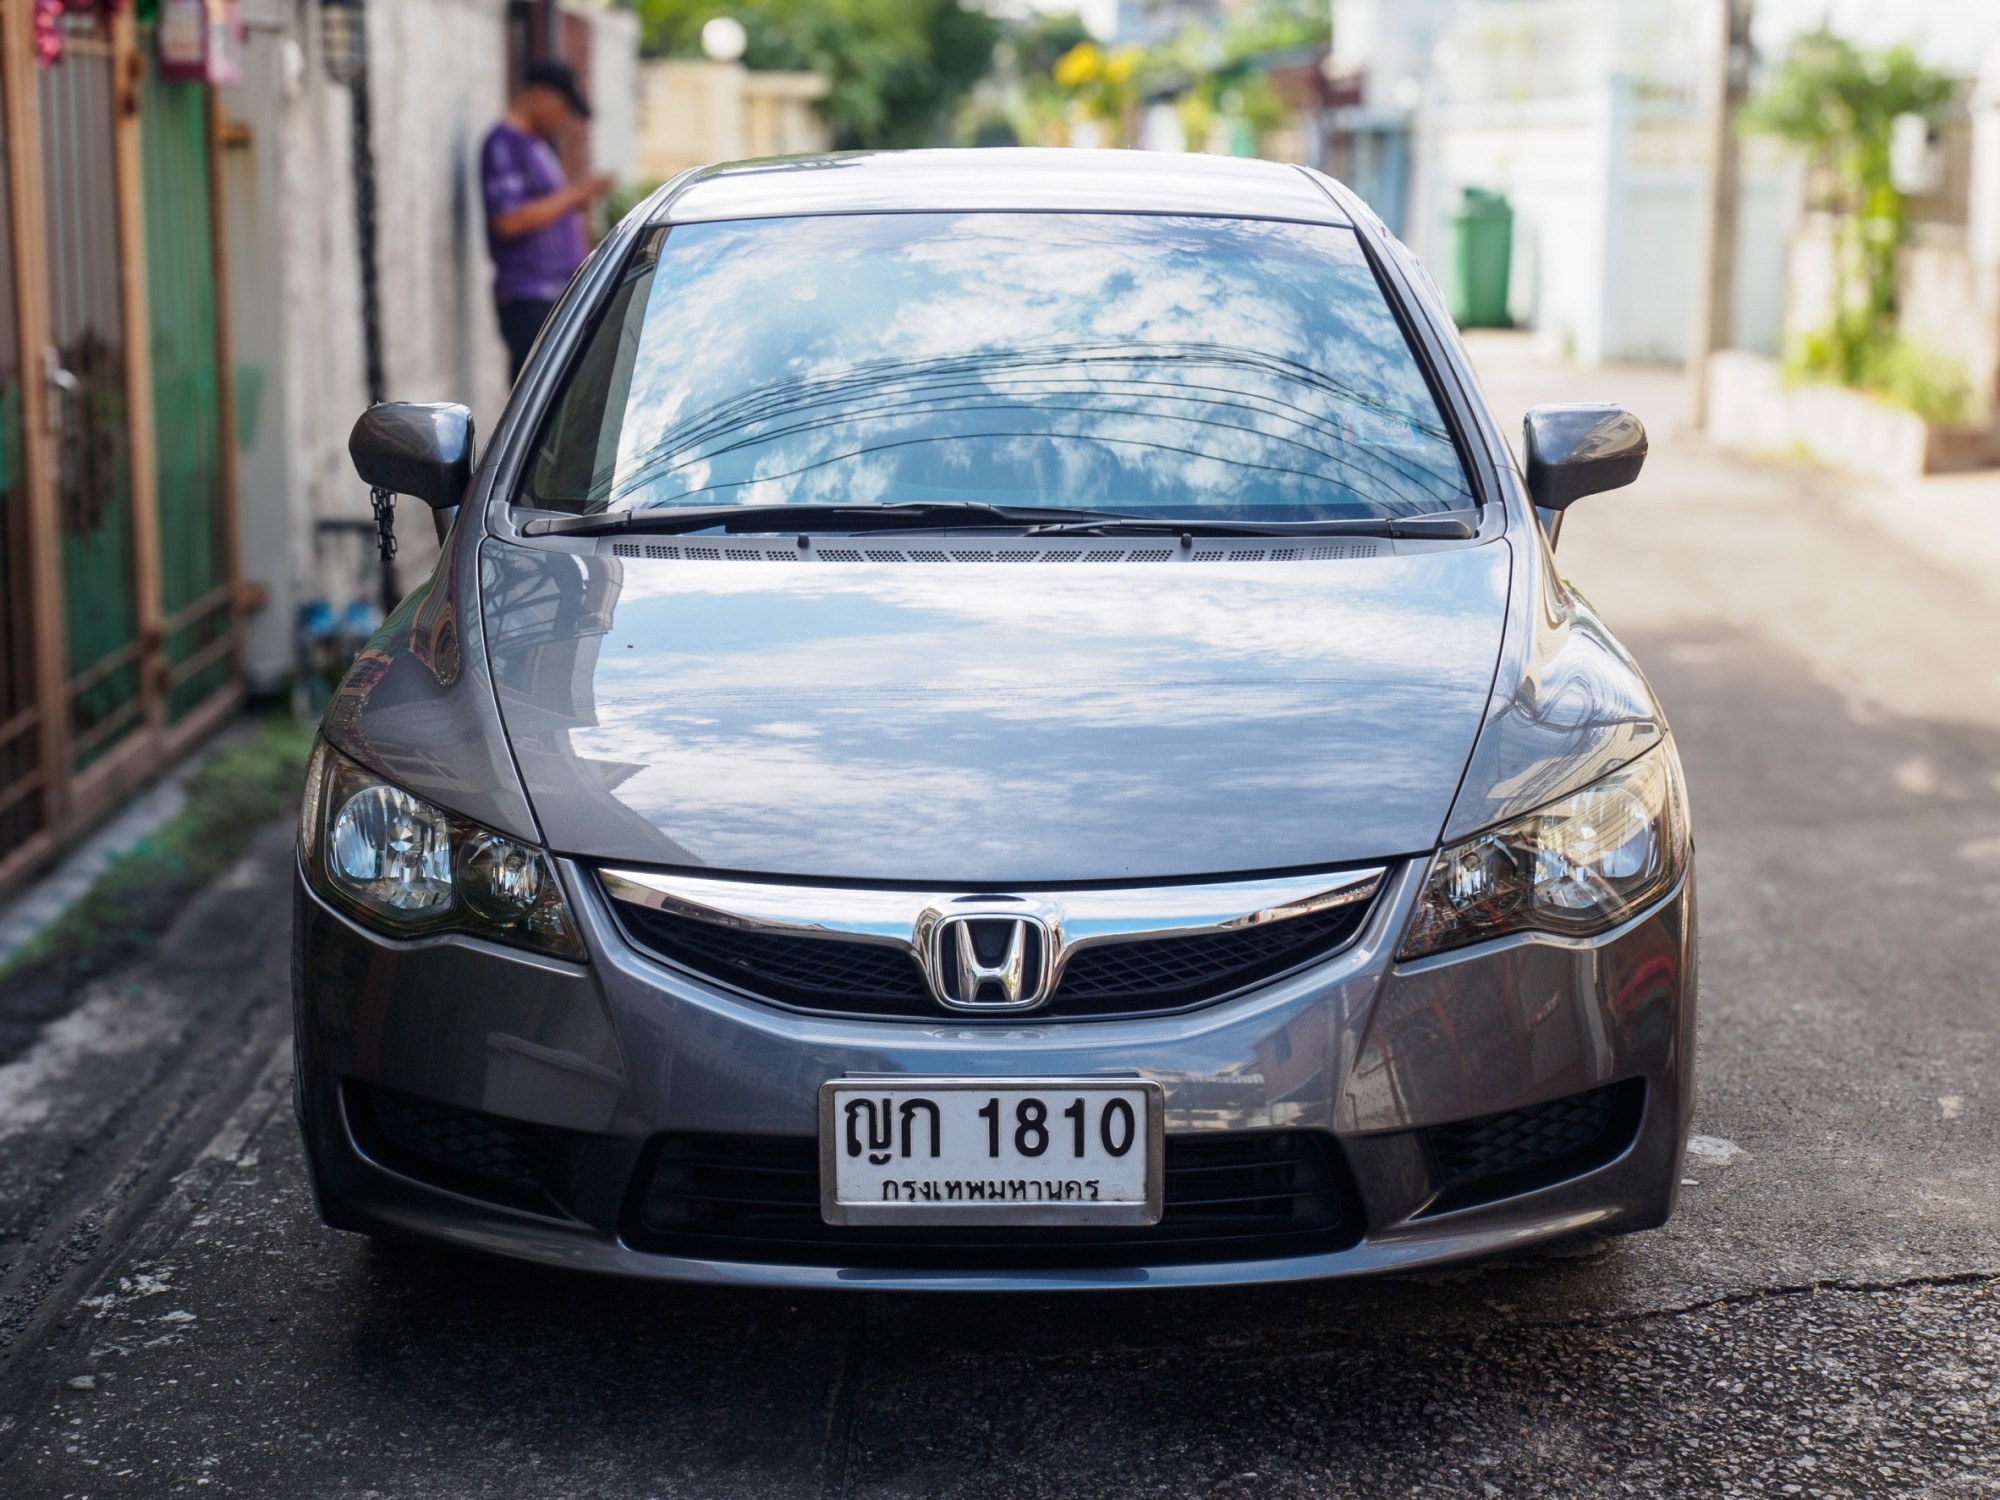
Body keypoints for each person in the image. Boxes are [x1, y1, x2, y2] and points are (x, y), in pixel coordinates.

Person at [481, 61, 612, 382]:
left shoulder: (535, 146)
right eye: (563, 108)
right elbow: (508, 221)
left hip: (552, 297)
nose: (562, 120)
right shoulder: (504, 143)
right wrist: (574, 195)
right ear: (541, 95)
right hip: (529, 299)